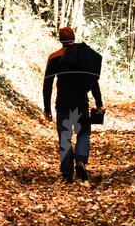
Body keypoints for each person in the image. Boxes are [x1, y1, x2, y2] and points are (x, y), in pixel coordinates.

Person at [42, 26, 104, 184]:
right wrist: (99, 103)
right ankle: (81, 161)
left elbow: (47, 85)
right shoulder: (83, 56)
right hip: (81, 102)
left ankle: (67, 174)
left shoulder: (54, 57)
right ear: (74, 38)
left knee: (64, 136)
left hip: (62, 103)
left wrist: (47, 109)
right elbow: (93, 81)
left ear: (60, 39)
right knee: (83, 132)